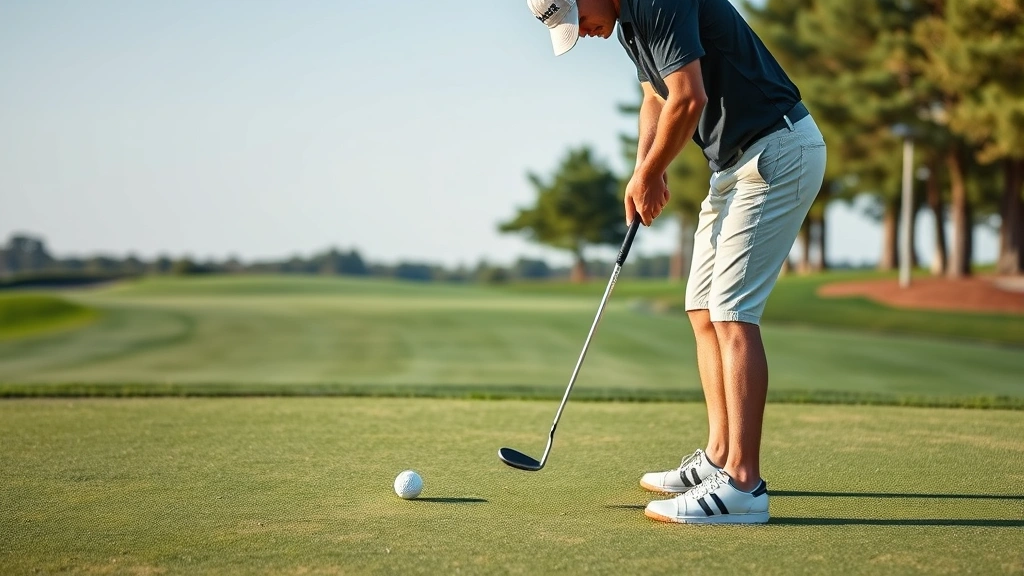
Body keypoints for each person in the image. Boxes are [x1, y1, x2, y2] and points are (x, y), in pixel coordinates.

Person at [526, 0, 827, 524]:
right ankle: (718, 456)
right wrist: (646, 168)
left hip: (777, 150)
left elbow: (689, 97)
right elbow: (655, 99)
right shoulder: (630, 25)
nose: (588, 35)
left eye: (581, 22)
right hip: (733, 165)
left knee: (732, 313)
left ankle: (743, 484)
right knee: (702, 309)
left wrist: (650, 175)